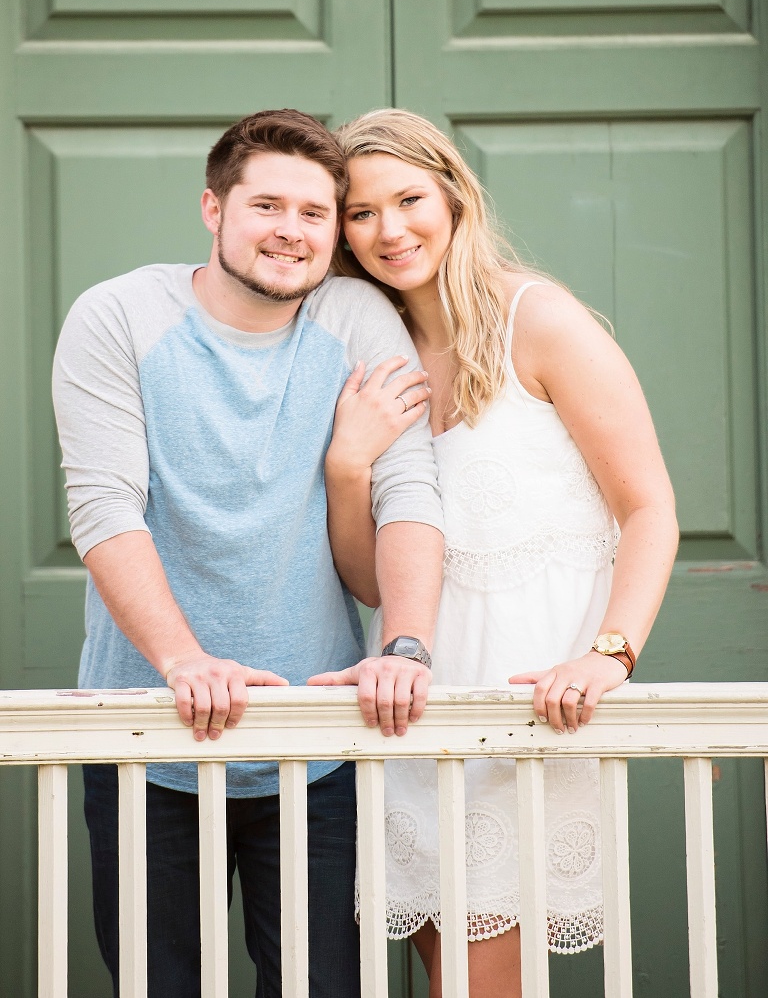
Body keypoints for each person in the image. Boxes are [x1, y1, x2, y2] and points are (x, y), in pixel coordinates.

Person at [52, 109, 444, 998]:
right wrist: (183, 659)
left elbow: (409, 488)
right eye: (267, 204)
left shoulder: (354, 316)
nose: (291, 232)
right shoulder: (120, 315)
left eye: (315, 213)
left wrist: (405, 643)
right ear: (212, 208)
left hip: (320, 749)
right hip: (149, 741)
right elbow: (106, 505)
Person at [322, 109, 679, 997]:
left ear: (453, 194)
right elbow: (371, 578)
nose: (389, 230)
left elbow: (649, 506)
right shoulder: (376, 355)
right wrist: (346, 465)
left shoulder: (540, 318)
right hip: (412, 710)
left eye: (408, 199)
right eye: (361, 213)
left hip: (529, 714)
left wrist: (609, 652)